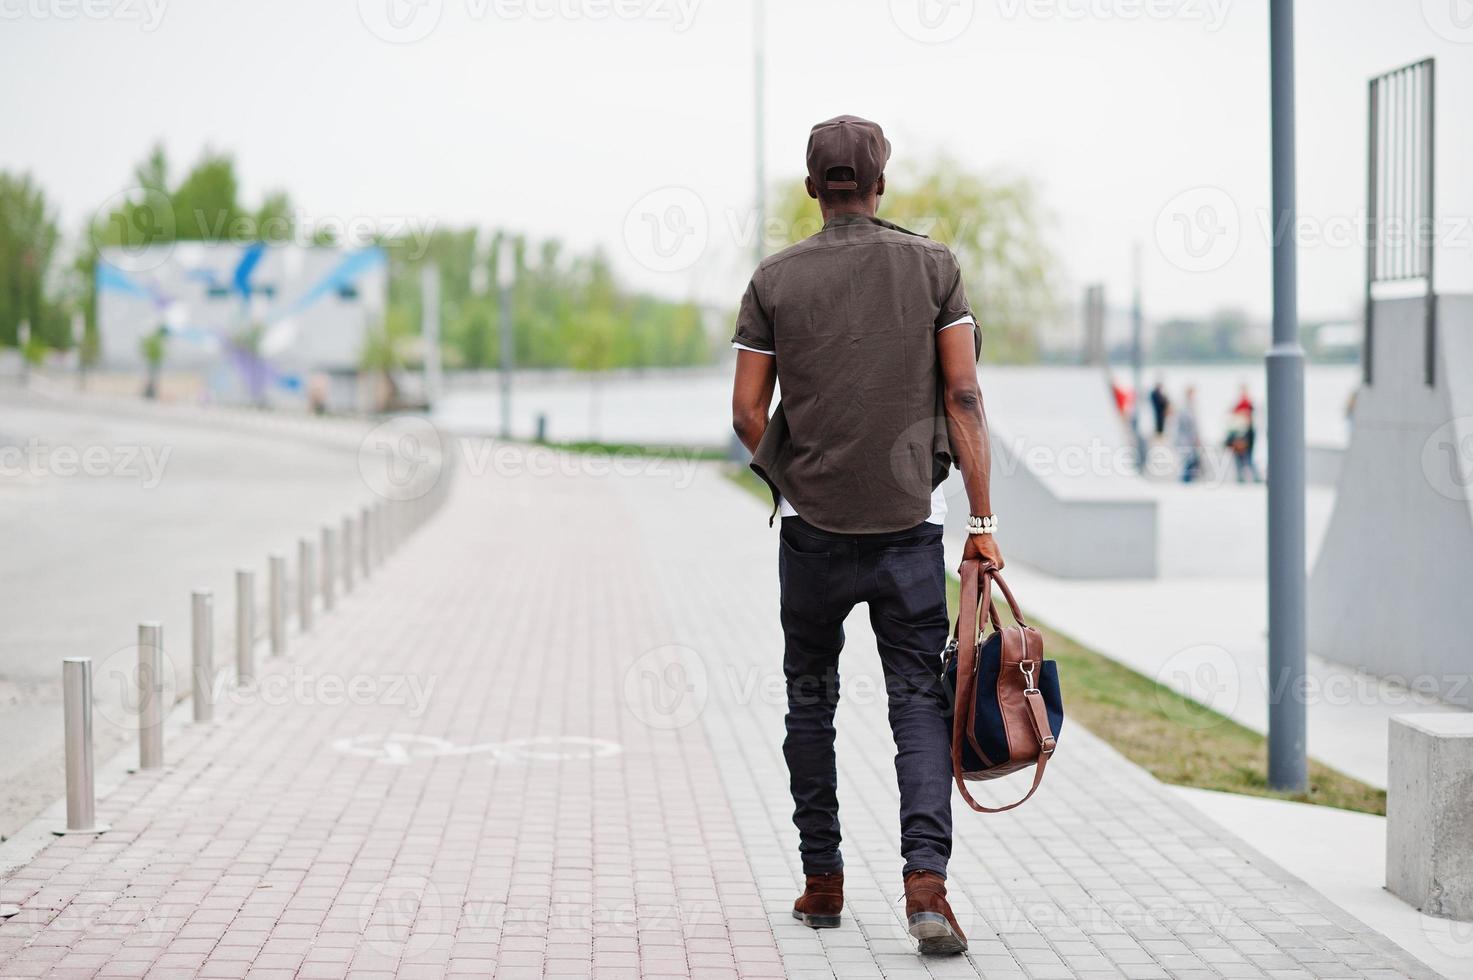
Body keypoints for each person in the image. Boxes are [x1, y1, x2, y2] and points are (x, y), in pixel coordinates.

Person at [729, 115, 1000, 957]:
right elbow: (962, 400)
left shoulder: (774, 279)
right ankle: (926, 891)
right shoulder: (933, 268)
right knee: (918, 706)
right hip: (908, 534)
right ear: (881, 184)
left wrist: (797, 478)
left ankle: (822, 884)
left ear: (814, 188)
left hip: (810, 535)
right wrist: (980, 525)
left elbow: (744, 411)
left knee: (809, 700)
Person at [1227, 384, 1262, 483]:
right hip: (1241, 434)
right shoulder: (1240, 405)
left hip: (1247, 435)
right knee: (1242, 458)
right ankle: (1242, 477)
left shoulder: (1248, 404)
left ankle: (1252, 477)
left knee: (1248, 457)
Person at [1177, 386, 1203, 483]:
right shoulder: (1184, 408)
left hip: (1190, 439)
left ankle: (1188, 480)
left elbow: (1195, 425)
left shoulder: (1192, 406)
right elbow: (1187, 425)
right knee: (1188, 460)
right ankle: (1185, 480)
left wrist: (1197, 437)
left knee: (1191, 460)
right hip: (1186, 440)